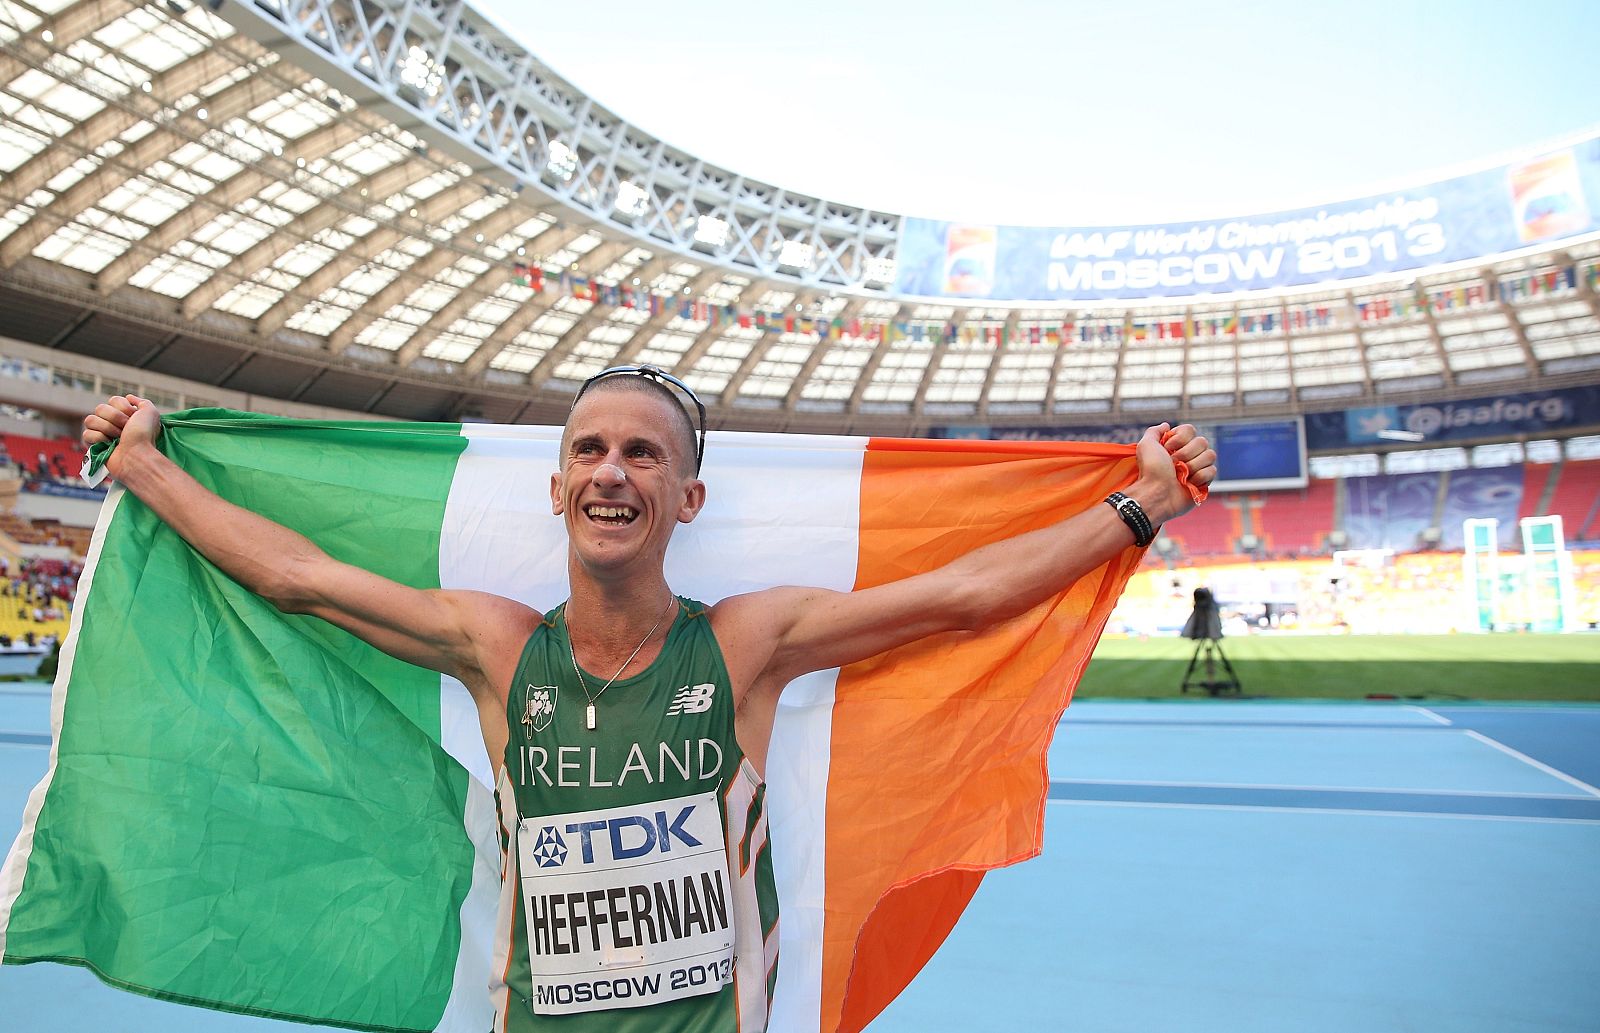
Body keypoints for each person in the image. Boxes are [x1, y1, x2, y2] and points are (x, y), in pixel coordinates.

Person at [82, 370, 1216, 1032]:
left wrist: (1140, 506)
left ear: (687, 495)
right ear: (558, 487)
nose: (611, 471)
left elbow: (965, 595)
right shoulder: (495, 646)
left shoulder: (748, 643)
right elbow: (299, 578)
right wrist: (143, 465)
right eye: (589, 450)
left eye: (642, 453)